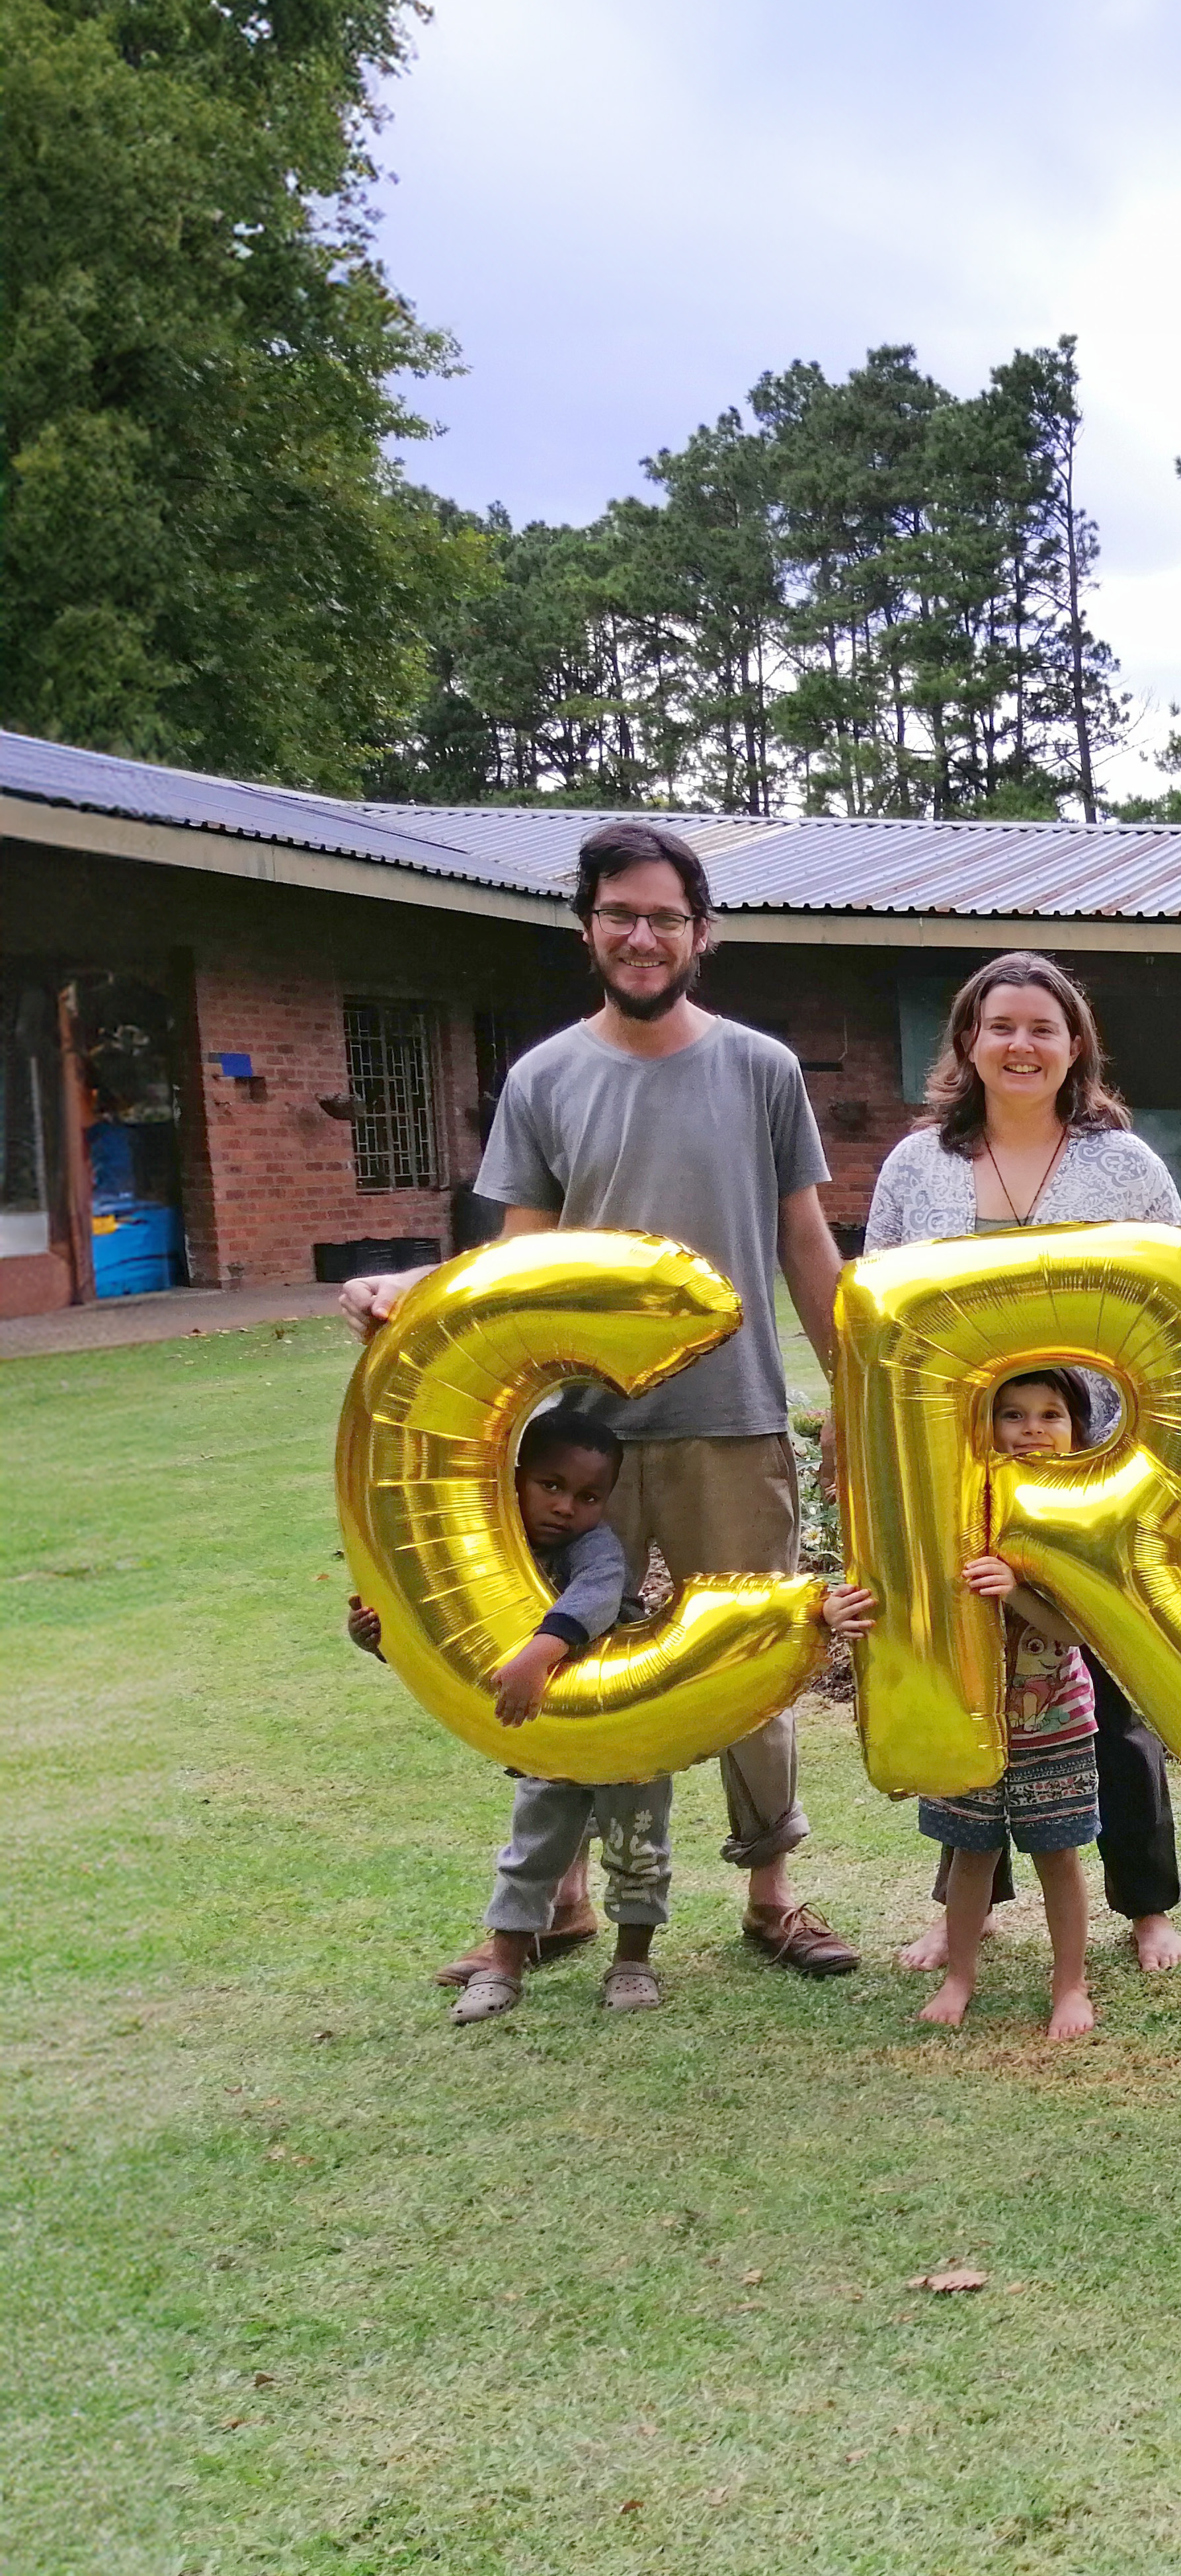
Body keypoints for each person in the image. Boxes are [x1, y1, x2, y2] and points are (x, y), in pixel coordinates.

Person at [339, 821, 862, 1982]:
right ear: (588, 927)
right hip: (583, 1445)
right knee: (558, 1655)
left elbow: (805, 1245)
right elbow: (513, 1262)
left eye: (664, 917)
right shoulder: (544, 1077)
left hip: (734, 1421)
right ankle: (557, 1901)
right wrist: (406, 1289)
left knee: (761, 1660)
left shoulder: (763, 1068)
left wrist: (857, 1404)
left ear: (701, 934)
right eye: (620, 914)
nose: (642, 935)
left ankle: (774, 1894)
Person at [866, 951, 1181, 1980]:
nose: (1021, 1044)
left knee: (1112, 1690)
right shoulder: (916, 1167)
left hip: (1091, 1468)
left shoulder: (1125, 1165)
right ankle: (964, 1912)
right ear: (968, 1040)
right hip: (951, 1478)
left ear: (1075, 1047)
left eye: (1043, 1028)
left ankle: (1145, 1907)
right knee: (968, 1679)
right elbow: (873, 1313)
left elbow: (1180, 1308)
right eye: (1000, 1024)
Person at [345, 1409, 872, 2025]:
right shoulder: (493, 1545)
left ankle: (633, 1961)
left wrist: (540, 1654)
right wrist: (377, 1636)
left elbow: (596, 1596)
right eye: (551, 1487)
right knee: (533, 1843)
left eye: (589, 1497)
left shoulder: (594, 1546)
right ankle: (504, 1963)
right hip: (556, 1735)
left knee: (639, 1846)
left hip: (627, 1723)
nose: (568, 1507)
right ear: (514, 1479)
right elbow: (444, 1631)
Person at [914, 1371, 1114, 2040]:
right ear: (984, 1426)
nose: (1033, 1429)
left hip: (1054, 1720)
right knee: (971, 1853)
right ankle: (960, 1975)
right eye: (1013, 1414)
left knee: (1057, 1855)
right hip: (971, 1717)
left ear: (1078, 1434)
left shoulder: (1079, 1515)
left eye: (1052, 1414)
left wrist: (1015, 1589)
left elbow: (1080, 1628)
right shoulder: (962, 1504)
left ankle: (1070, 1984)